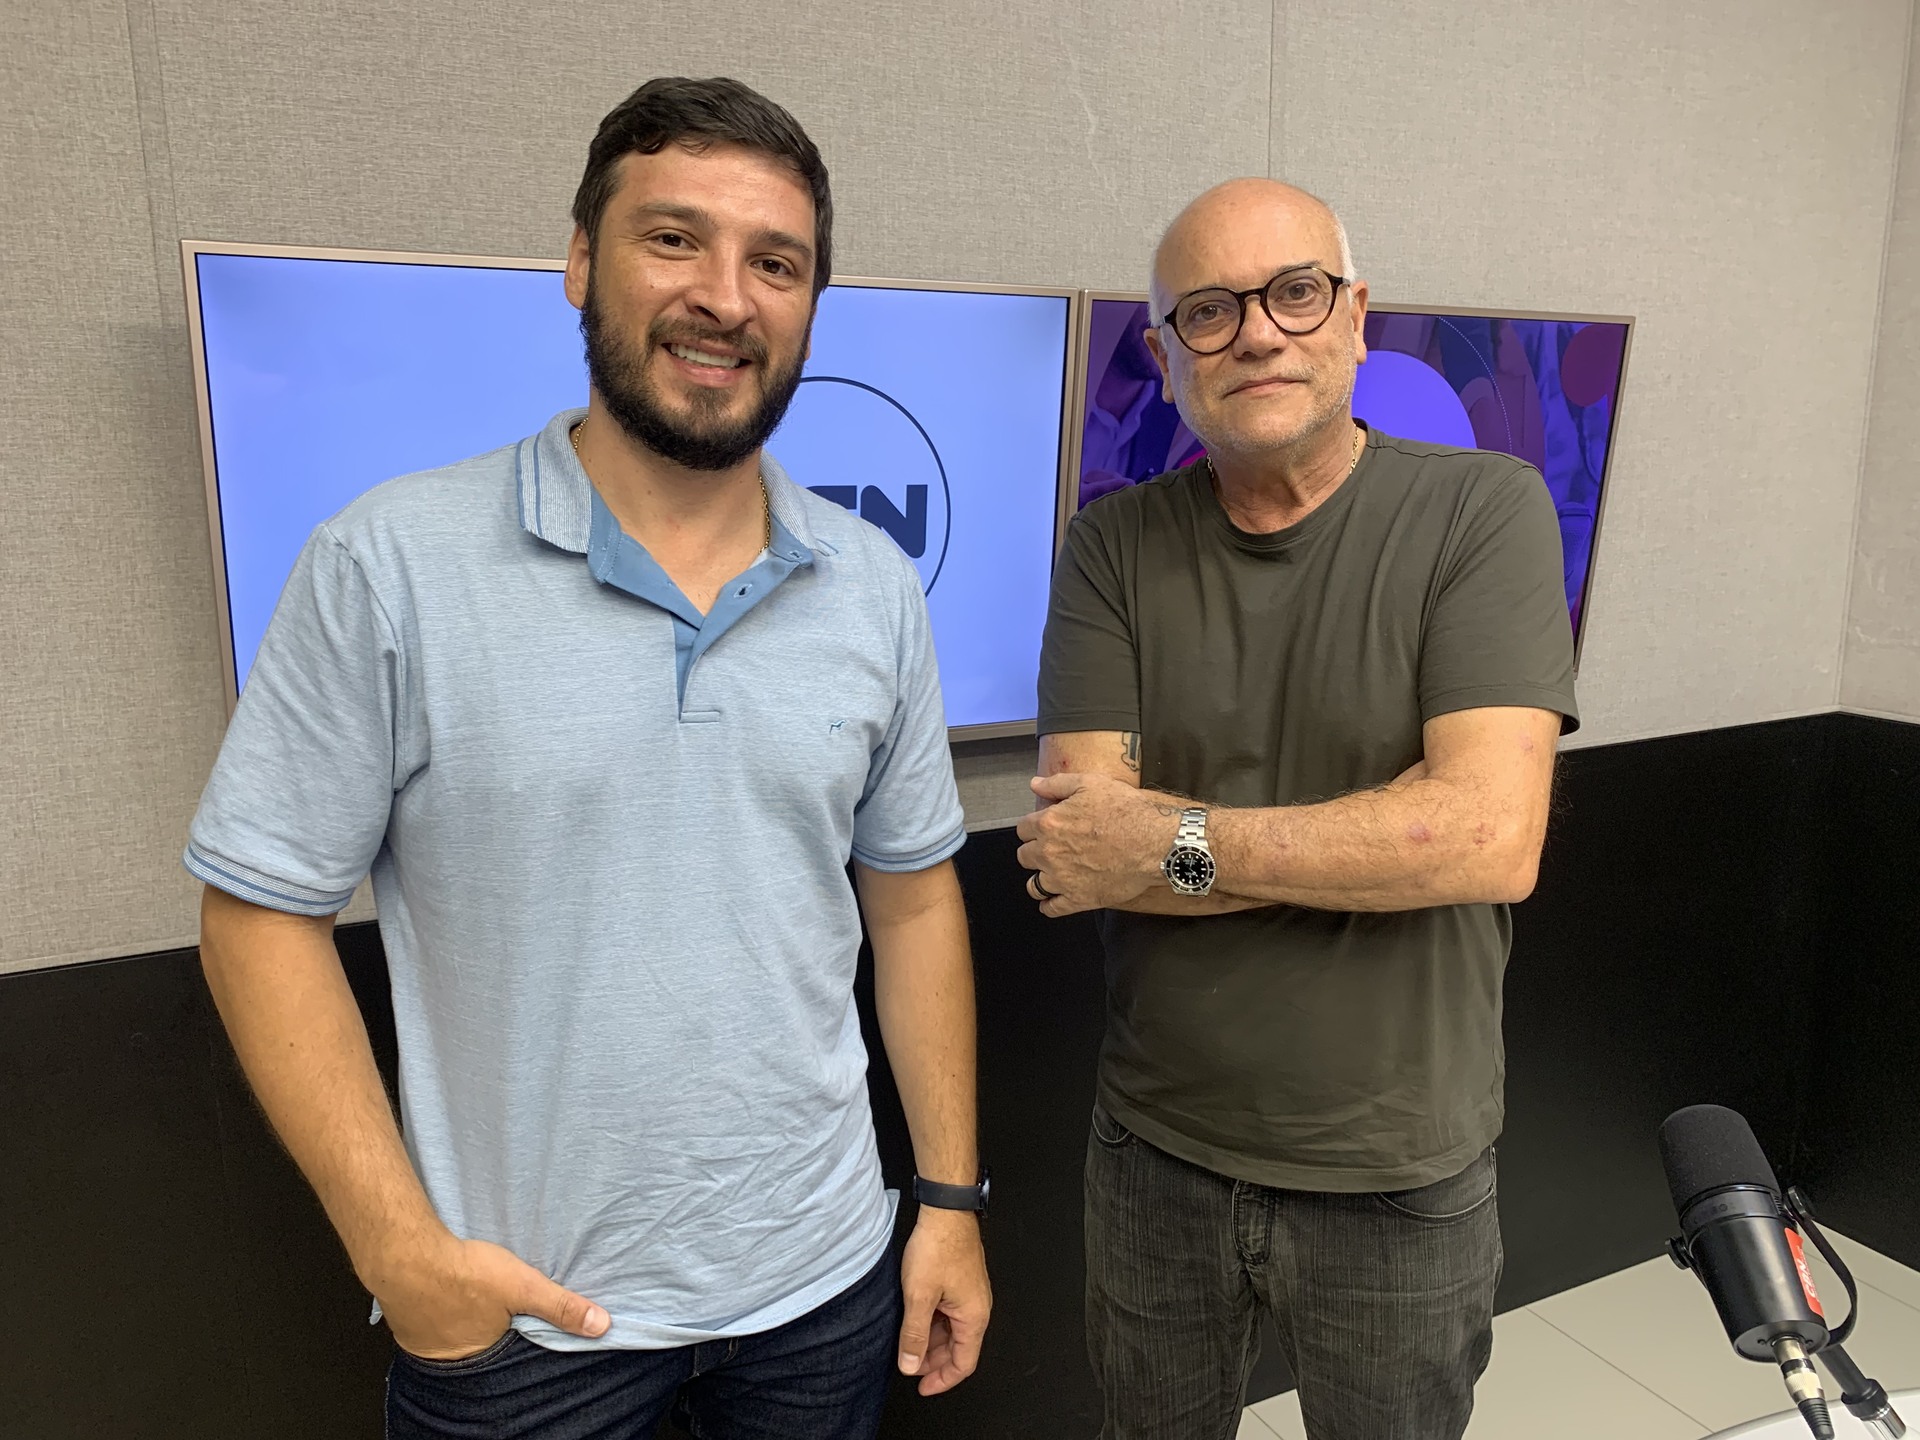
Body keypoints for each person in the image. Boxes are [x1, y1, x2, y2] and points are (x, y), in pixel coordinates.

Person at [187, 76, 990, 1440]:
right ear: (578, 263)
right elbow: (259, 913)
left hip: (825, 1294)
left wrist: (953, 1203)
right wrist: (404, 1259)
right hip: (526, 1332)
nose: (725, 297)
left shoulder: (871, 586)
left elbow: (910, 899)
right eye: (673, 238)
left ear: (807, 307)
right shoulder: (389, 566)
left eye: (775, 263)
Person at [1019, 178, 1578, 1440]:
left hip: (1396, 1172)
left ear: (1354, 315)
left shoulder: (1481, 513)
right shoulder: (1111, 548)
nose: (1258, 333)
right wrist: (1384, 836)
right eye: (1208, 312)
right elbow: (1078, 855)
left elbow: (1489, 838)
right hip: (1153, 1151)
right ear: (1164, 359)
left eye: (1293, 292)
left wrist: (1176, 840)